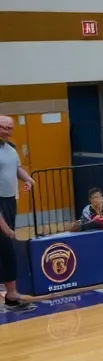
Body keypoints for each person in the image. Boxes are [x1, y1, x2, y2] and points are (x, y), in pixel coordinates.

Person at [0, 115, 35, 312]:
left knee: (7, 248)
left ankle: (11, 296)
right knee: (6, 245)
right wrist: (6, 228)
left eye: (10, 128)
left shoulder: (11, 149)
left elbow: (17, 168)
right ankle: (11, 295)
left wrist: (28, 179)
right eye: (4, 127)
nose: (7, 131)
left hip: (9, 202)